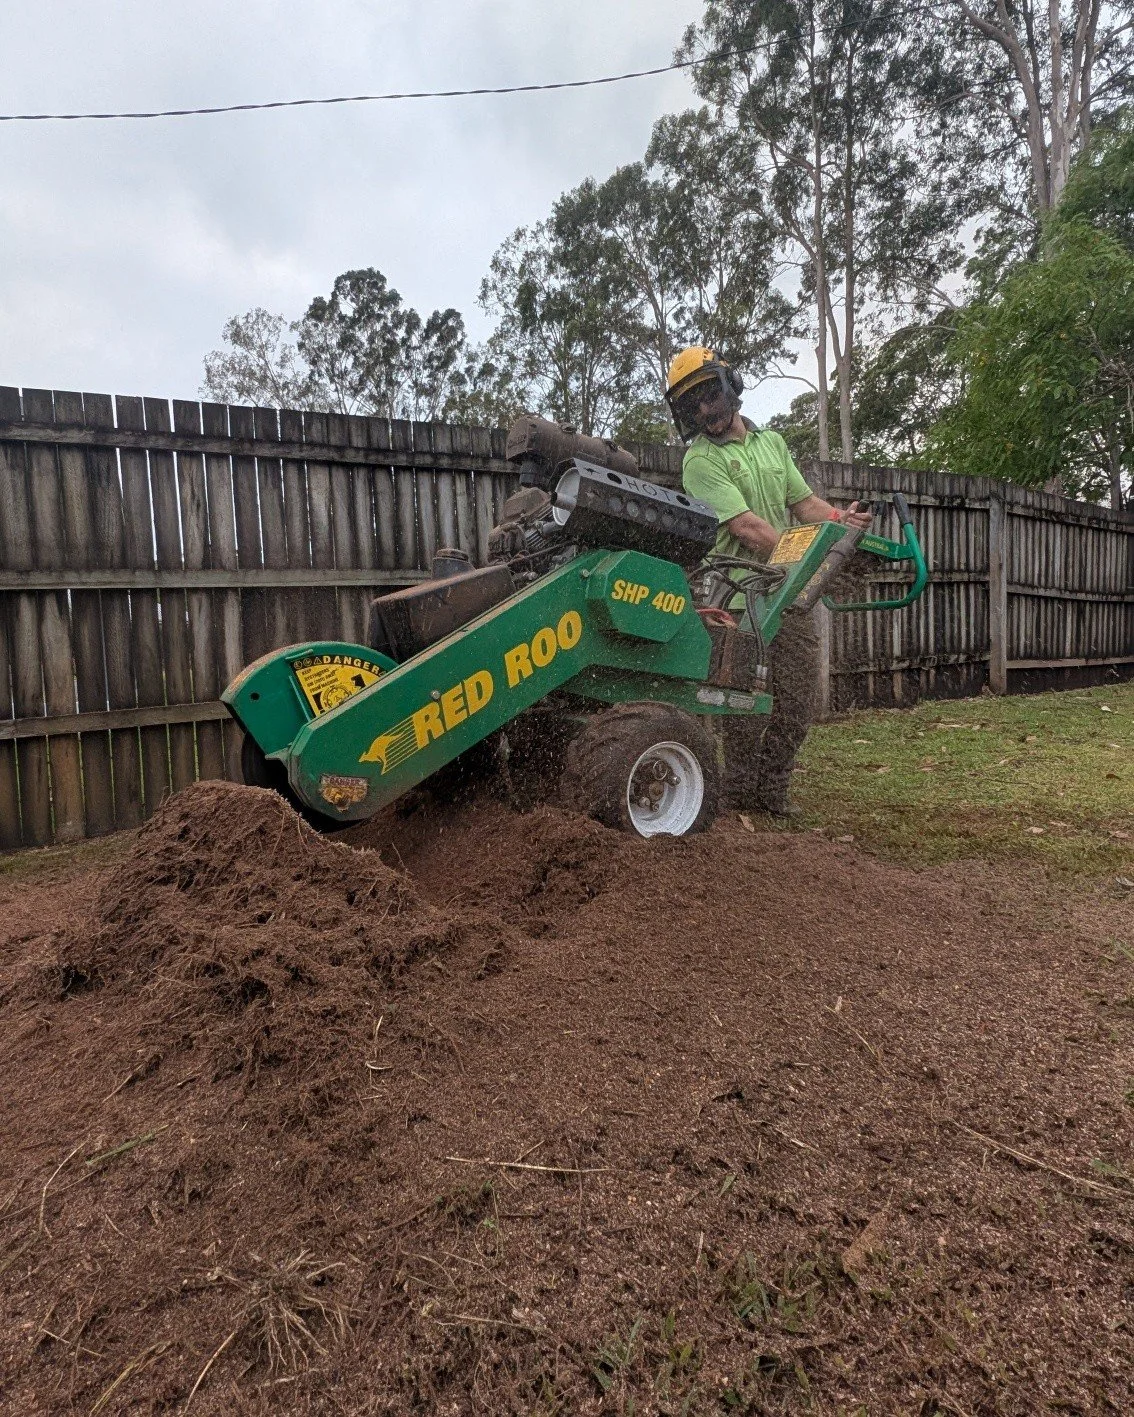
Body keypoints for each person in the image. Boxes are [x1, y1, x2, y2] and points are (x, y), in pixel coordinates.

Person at [665, 345, 871, 818]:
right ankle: (739, 796)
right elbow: (747, 529)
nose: (704, 409)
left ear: (728, 387)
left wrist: (843, 521)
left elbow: (804, 505)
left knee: (796, 702)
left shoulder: (772, 444)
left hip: (788, 595)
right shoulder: (699, 461)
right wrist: (809, 557)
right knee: (741, 706)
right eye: (691, 404)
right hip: (738, 598)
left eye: (708, 395)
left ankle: (771, 793)